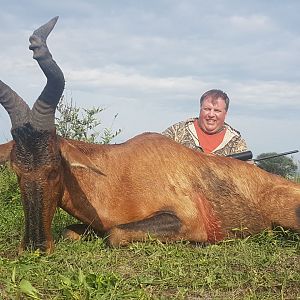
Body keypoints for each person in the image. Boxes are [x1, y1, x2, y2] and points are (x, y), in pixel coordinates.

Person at [162, 89, 248, 156]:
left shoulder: (236, 142)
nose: (211, 114)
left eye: (217, 111)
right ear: (200, 109)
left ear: (225, 113)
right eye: (207, 109)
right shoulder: (178, 131)